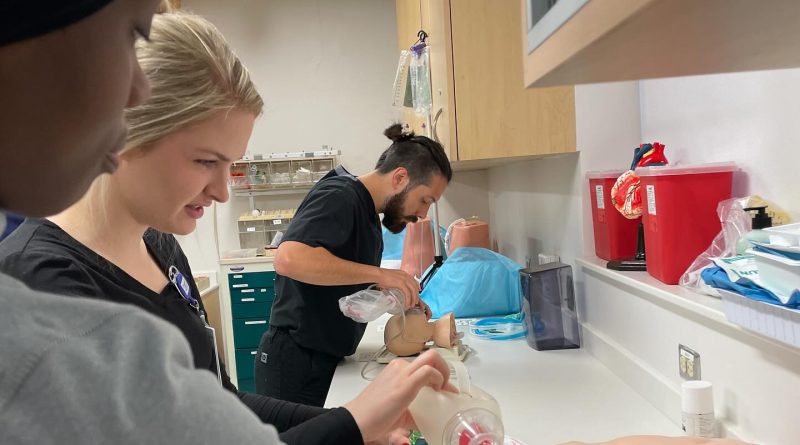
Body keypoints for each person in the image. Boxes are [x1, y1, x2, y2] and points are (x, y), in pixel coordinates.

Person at [0, 2, 457, 444]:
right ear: (129, 127)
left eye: (229, 165)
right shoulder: (45, 283)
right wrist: (351, 424)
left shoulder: (160, 248)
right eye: (204, 161)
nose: (221, 192)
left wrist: (350, 423)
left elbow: (220, 404)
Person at [256, 125, 453, 406]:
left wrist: (394, 296)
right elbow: (289, 258)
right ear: (400, 178)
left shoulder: (368, 213)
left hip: (321, 358)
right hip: (296, 363)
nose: (422, 213)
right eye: (424, 200)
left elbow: (338, 277)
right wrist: (380, 274)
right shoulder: (341, 196)